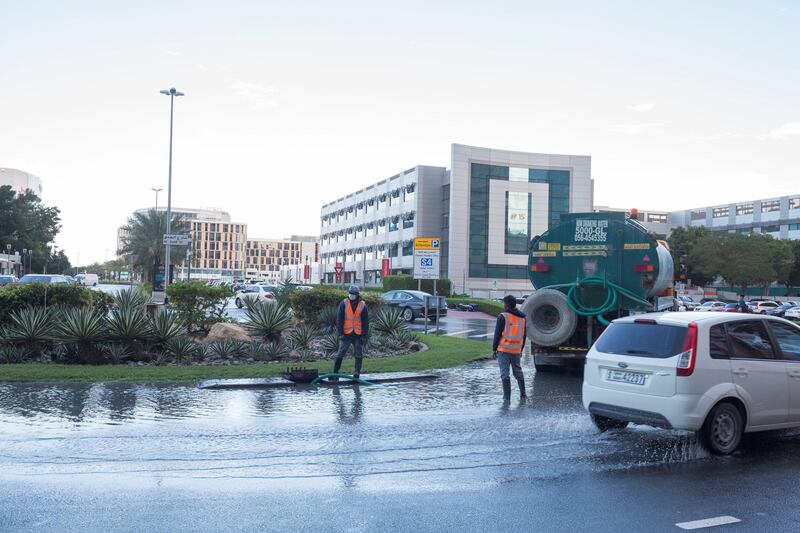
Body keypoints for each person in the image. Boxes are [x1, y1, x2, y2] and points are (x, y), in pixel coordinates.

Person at [493, 295, 527, 401]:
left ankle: (507, 398)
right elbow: (524, 336)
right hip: (516, 350)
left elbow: (497, 335)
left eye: (504, 303)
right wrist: (520, 350)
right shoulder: (523, 318)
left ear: (506, 304)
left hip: (503, 350)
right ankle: (523, 395)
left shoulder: (502, 316)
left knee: (505, 374)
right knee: (518, 372)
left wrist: (494, 349)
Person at [332, 285, 369, 379]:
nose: (351, 295)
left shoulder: (362, 305)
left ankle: (357, 373)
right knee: (340, 353)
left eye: (353, 294)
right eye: (350, 293)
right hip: (346, 334)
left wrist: (364, 335)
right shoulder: (344, 303)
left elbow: (365, 322)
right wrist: (341, 334)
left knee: (358, 354)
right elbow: (339, 319)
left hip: (358, 334)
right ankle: (335, 373)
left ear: (357, 294)